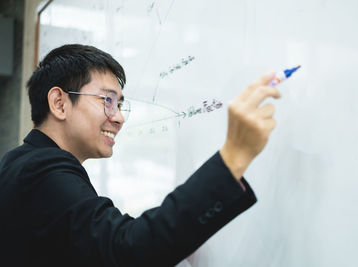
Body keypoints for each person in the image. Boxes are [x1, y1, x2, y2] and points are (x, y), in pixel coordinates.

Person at [0, 44, 280, 267]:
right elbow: (129, 250)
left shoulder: (20, 161)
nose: (119, 117)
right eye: (107, 101)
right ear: (59, 103)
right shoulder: (43, 170)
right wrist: (234, 155)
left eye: (120, 105)